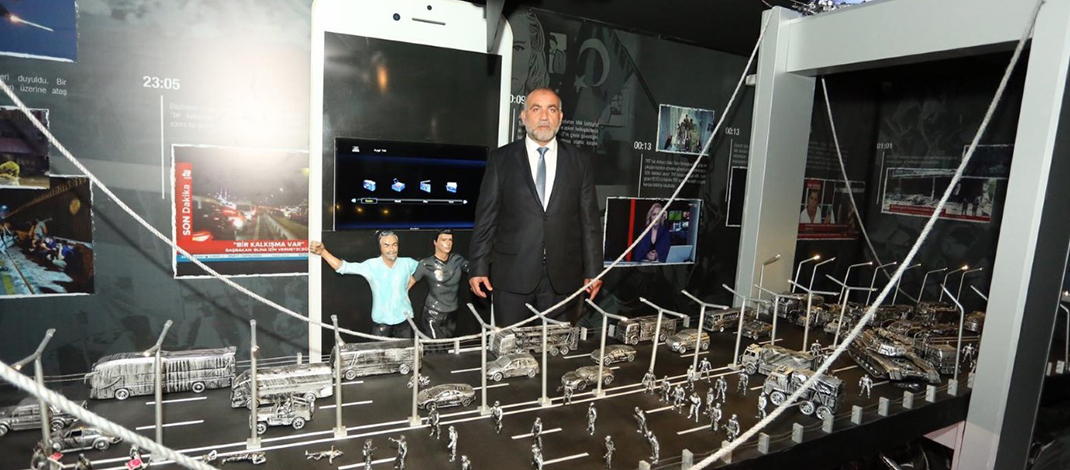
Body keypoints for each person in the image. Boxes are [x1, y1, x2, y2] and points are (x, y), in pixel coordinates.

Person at [470, 88, 604, 325]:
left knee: (558, 345)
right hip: (512, 276)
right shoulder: (501, 160)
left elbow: (590, 222)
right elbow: (486, 219)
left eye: (551, 109)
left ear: (560, 117)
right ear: (523, 116)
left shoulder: (579, 161)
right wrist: (478, 266)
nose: (544, 117)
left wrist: (594, 271)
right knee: (511, 345)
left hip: (564, 279)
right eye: (536, 109)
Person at [310, 232, 418, 338]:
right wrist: (323, 252)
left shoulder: (407, 263)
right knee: (378, 350)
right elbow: (342, 267)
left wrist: (411, 282)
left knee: (408, 350)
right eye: (387, 245)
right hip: (381, 321)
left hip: (404, 319)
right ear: (380, 247)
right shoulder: (371, 266)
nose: (392, 249)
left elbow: (424, 267)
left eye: (394, 245)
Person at [411, 229, 469, 339]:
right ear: (435, 242)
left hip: (452, 313)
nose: (448, 243)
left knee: (448, 344)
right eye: (444, 240)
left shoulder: (457, 260)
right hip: (433, 313)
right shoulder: (425, 264)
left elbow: (473, 269)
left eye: (450, 240)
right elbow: (409, 284)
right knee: (435, 345)